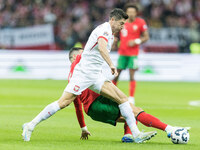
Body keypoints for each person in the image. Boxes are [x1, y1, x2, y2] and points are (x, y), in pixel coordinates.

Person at [22, 8, 157, 143]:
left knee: (122, 98)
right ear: (113, 20)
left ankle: (136, 134)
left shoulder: (109, 33)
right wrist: (111, 64)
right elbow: (102, 48)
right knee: (63, 102)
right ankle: (30, 125)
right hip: (84, 74)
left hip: (95, 75)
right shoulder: (104, 29)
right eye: (121, 24)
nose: (123, 27)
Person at [68, 48, 190, 142]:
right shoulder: (80, 64)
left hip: (92, 112)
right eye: (82, 54)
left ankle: (128, 135)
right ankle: (170, 130)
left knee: (129, 113)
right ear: (75, 57)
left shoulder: (71, 78)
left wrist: (83, 128)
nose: (86, 56)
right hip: (100, 101)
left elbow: (77, 106)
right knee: (135, 112)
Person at [112, 3, 149, 105]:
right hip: (122, 52)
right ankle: (111, 94)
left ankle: (131, 97)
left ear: (136, 13)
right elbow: (115, 33)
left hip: (133, 53)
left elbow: (146, 37)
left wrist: (136, 41)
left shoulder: (141, 22)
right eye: (129, 12)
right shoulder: (122, 22)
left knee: (132, 75)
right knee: (116, 75)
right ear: (126, 13)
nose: (131, 14)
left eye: (133, 12)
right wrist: (114, 40)